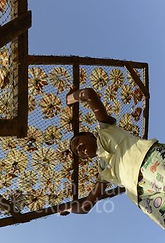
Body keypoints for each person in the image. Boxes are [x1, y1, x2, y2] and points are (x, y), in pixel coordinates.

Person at [63, 87, 165, 230]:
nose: (78, 149)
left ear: (89, 135)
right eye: (76, 151)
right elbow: (86, 207)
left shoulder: (106, 130)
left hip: (150, 161)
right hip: (143, 195)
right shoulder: (103, 172)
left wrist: (70, 98)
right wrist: (67, 209)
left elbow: (89, 94)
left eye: (78, 142)